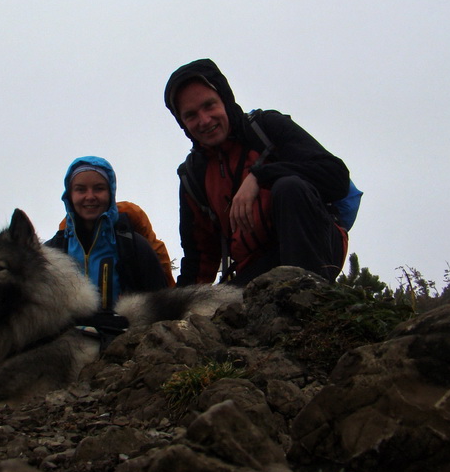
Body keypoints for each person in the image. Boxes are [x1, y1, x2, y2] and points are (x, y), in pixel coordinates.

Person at [164, 58, 352, 286]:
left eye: (209, 105)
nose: (204, 120)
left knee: (290, 187)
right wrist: (175, 311)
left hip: (317, 246)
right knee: (219, 306)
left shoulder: (266, 129)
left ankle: (306, 299)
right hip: (258, 267)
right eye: (191, 115)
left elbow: (336, 177)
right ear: (182, 123)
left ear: (225, 99)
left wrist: (260, 175)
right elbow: (199, 257)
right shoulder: (193, 176)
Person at [45, 156, 170, 312]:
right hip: (69, 335)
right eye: (80, 189)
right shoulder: (54, 251)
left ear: (110, 193)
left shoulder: (133, 245)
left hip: (128, 334)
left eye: (99, 188)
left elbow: (161, 302)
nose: (90, 196)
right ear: (69, 195)